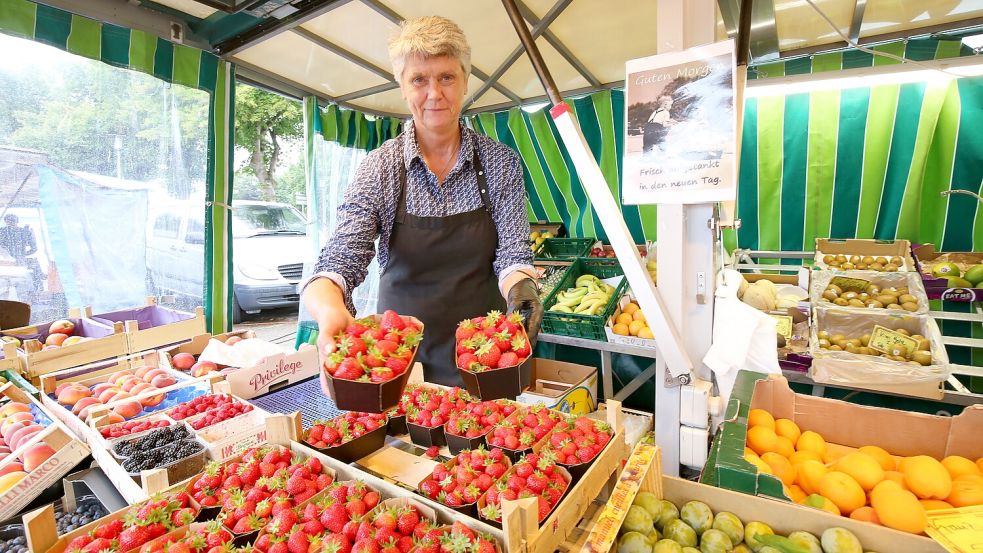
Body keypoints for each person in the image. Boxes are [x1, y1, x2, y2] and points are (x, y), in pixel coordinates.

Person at [302, 16, 543, 387]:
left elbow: (512, 255)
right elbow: (339, 261)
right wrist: (330, 309)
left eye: (446, 77)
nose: (435, 94)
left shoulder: (500, 163)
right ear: (402, 86)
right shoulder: (380, 167)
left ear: (465, 80)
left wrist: (522, 290)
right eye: (419, 80)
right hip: (398, 359)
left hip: (481, 354)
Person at [0, 214, 43, 298]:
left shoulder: (1, 231)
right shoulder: (26, 231)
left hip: (4, 264)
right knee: (24, 289)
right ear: (17, 221)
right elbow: (34, 249)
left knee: (4, 289)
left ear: (5, 221)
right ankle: (34, 293)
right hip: (21, 263)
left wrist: (5, 255)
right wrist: (23, 254)